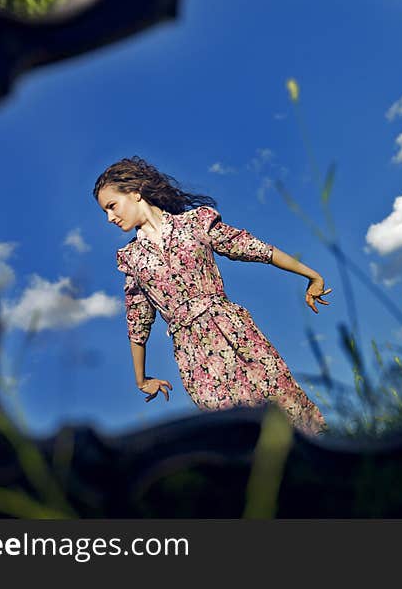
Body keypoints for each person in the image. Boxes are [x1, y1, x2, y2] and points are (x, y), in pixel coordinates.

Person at [93, 156, 330, 436]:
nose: (110, 218)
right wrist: (141, 379)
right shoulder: (131, 258)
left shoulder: (196, 223)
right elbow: (137, 321)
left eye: (112, 206)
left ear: (135, 193)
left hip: (235, 331)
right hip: (194, 354)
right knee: (232, 429)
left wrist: (311, 275)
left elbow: (252, 247)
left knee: (284, 403)